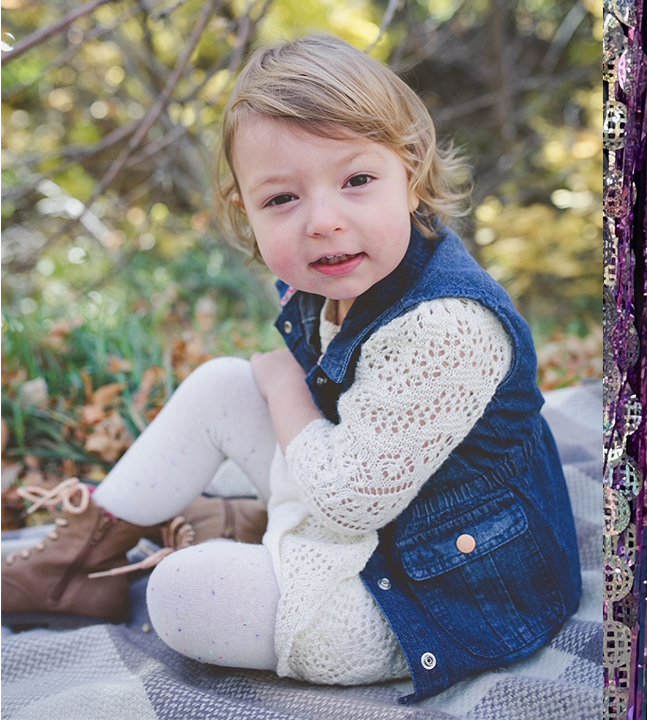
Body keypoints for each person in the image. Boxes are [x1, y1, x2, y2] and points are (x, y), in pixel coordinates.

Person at [1, 34, 581, 705]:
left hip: (448, 594)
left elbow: (348, 500)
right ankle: (71, 566)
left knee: (184, 591)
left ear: (412, 174)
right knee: (222, 384)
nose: (323, 222)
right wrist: (277, 393)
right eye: (282, 199)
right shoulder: (338, 278)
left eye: (357, 181)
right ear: (245, 210)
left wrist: (283, 387)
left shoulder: (448, 324)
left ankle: (243, 535)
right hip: (379, 512)